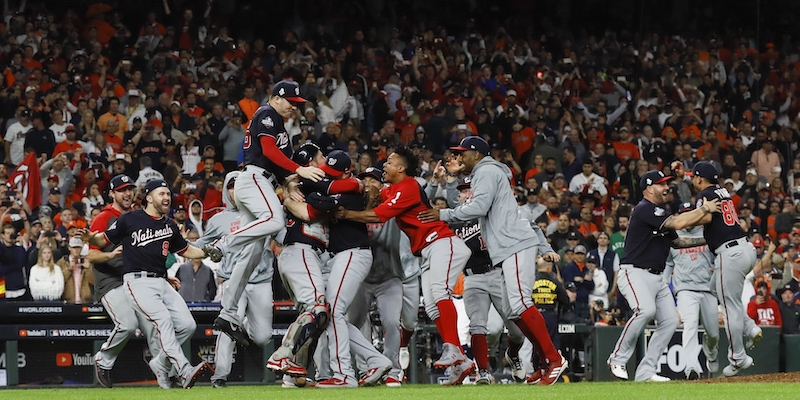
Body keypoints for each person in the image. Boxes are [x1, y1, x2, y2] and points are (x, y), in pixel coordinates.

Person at [419, 137, 567, 385]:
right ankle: (544, 363)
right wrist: (453, 182)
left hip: (514, 244)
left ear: (475, 154)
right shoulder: (486, 171)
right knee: (515, 309)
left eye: (462, 153)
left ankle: (554, 360)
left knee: (520, 304)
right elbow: (466, 205)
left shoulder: (485, 170)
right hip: (502, 252)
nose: (459, 157)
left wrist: (442, 214)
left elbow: (477, 207)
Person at [334, 146, 473, 383]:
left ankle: (453, 348)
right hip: (428, 250)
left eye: (389, 162)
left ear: (401, 168)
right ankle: (462, 361)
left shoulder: (407, 186)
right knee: (431, 307)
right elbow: (376, 199)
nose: (384, 165)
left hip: (443, 241)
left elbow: (377, 216)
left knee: (440, 293)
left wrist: (345, 214)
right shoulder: (396, 189)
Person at [211, 81, 325, 347]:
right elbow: (269, 152)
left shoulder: (280, 124)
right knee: (273, 221)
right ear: (276, 98)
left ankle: (228, 313)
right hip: (253, 179)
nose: (293, 108)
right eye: (290, 102)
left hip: (265, 180)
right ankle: (224, 244)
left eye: (296, 105)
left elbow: (280, 167)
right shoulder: (266, 113)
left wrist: (290, 184)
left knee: (252, 254)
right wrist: (301, 170)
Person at [81, 179, 219, 389]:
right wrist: (94, 239)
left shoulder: (167, 224)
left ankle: (160, 364)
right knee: (144, 323)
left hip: (158, 280)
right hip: (123, 282)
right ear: (148, 197)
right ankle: (183, 370)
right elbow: (97, 246)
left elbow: (186, 250)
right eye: (161, 193)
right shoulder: (121, 218)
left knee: (186, 325)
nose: (166, 197)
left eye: (168, 194)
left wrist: (209, 251)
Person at [607, 170, 720, 382]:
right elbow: (678, 224)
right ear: (649, 188)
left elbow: (677, 241)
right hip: (634, 271)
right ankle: (617, 358)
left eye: (666, 183)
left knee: (669, 321)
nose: (666, 187)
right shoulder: (644, 209)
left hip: (657, 276)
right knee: (645, 310)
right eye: (661, 184)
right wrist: (705, 208)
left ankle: (645, 372)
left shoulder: (660, 211)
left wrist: (706, 240)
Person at [89, 174, 172, 389]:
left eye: (130, 189)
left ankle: (166, 374)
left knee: (154, 324)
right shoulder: (104, 218)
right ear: (112, 194)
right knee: (127, 324)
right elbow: (91, 255)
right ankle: (103, 360)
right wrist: (110, 255)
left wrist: (163, 276)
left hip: (136, 281)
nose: (127, 193)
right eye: (122, 190)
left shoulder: (138, 217)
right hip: (110, 281)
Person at [192, 172, 274, 388]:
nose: (235, 191)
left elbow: (284, 238)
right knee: (228, 325)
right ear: (225, 191)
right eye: (231, 186)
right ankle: (219, 375)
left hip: (261, 280)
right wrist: (182, 247)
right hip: (232, 280)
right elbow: (202, 243)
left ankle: (244, 324)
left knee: (263, 336)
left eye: (240, 185)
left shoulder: (265, 214)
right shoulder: (218, 219)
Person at [449, 176, 527, 385]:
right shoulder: (454, 220)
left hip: (497, 273)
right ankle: (482, 371)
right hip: (472, 277)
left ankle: (513, 354)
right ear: (459, 196)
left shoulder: (492, 213)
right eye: (463, 191)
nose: (468, 194)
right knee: (478, 326)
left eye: (471, 190)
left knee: (517, 330)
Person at [687, 161, 761, 377]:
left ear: (700, 178)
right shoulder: (723, 191)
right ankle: (749, 327)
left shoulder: (705, 195)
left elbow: (708, 216)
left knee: (730, 308)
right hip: (745, 248)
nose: (693, 180)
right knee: (715, 290)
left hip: (730, 254)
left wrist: (687, 220)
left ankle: (738, 357)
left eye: (694, 177)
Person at [663, 202, 720, 379]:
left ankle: (711, 352)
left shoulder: (707, 232)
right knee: (690, 325)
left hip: (707, 289)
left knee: (713, 334)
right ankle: (691, 368)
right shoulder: (673, 236)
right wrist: (664, 285)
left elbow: (718, 258)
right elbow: (668, 263)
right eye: (684, 214)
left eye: (690, 213)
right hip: (685, 289)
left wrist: (717, 270)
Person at [58, 237, 94, 304]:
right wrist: (69, 269)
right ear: (69, 248)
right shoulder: (62, 262)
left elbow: (93, 282)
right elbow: (58, 282)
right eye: (74, 247)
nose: (76, 250)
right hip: (68, 302)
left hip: (85, 302)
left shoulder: (87, 261)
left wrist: (88, 268)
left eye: (78, 247)